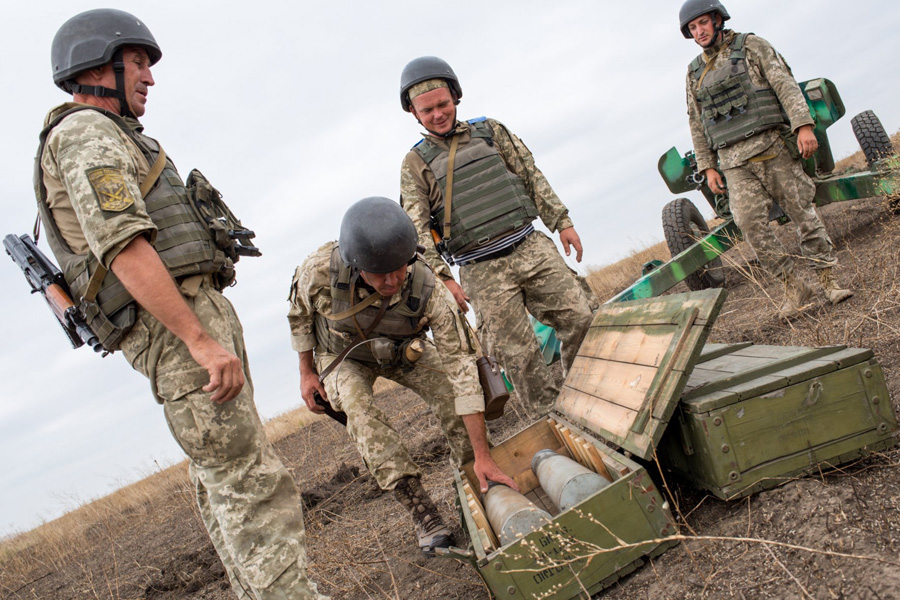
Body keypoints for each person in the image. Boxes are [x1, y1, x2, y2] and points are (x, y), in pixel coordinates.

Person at [36, 10, 327, 599]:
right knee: (249, 480)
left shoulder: (112, 134)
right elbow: (124, 246)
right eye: (139, 62)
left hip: (182, 317)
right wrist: (197, 338)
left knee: (225, 475)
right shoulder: (85, 133)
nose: (150, 76)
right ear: (99, 65)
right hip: (176, 327)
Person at [287, 197, 517, 556]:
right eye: (381, 274)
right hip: (344, 356)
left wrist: (482, 452)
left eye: (400, 269)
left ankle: (477, 479)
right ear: (356, 265)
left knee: (448, 389)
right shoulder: (318, 271)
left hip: (403, 348)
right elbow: (299, 315)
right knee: (361, 415)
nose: (393, 280)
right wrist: (306, 372)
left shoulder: (427, 285)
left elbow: (460, 370)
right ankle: (423, 515)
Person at [398, 56, 595, 418]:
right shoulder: (415, 165)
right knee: (519, 357)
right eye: (428, 110)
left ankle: (585, 395)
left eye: (443, 104)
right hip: (481, 270)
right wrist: (443, 279)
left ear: (456, 98)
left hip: (530, 245)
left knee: (581, 318)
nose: (438, 114)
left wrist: (561, 220)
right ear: (414, 113)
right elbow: (417, 230)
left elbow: (530, 174)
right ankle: (555, 418)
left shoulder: (490, 131)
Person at [680, 0, 853, 319]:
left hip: (771, 146)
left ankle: (828, 281)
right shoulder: (693, 74)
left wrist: (803, 125)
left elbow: (784, 84)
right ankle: (792, 285)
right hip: (733, 161)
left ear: (717, 19)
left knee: (802, 213)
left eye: (703, 23)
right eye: (692, 28)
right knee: (748, 224)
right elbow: (696, 120)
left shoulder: (752, 46)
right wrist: (707, 166)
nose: (699, 31)